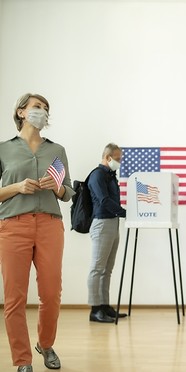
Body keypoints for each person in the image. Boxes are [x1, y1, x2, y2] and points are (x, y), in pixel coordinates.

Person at [0, 93, 75, 372]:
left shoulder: (57, 151)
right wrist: (17, 187)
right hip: (12, 225)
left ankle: (45, 344)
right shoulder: (3, 149)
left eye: (45, 108)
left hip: (49, 224)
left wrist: (57, 188)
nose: (41, 112)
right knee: (15, 297)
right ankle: (22, 360)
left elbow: (68, 192)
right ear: (21, 112)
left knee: (51, 292)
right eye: (36, 107)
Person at [87, 143, 127, 323]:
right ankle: (95, 309)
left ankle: (104, 306)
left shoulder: (110, 176)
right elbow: (103, 201)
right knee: (97, 268)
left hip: (113, 223)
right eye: (117, 159)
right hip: (102, 224)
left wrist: (121, 214)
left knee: (107, 269)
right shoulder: (97, 175)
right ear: (108, 157)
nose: (119, 162)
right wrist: (125, 212)